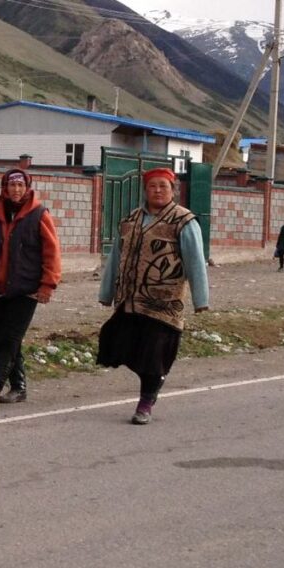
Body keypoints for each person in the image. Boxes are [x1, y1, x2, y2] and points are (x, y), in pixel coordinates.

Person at [97, 167, 209, 425]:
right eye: (152, 186)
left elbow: (195, 261)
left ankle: (146, 401)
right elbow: (116, 257)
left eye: (163, 186)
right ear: (145, 190)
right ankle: (153, 380)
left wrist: (200, 299)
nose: (157, 190)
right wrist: (106, 293)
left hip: (165, 302)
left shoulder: (184, 221)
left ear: (173, 190)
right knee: (117, 343)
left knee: (154, 354)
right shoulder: (131, 219)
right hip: (130, 299)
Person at [0, 168, 61, 406]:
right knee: (1, 338)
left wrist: (47, 285)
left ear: (27, 188)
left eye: (20, 186)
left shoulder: (39, 214)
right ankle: (19, 387)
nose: (16, 190)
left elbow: (52, 254)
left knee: (11, 337)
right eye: (12, 185)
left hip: (26, 289)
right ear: (5, 188)